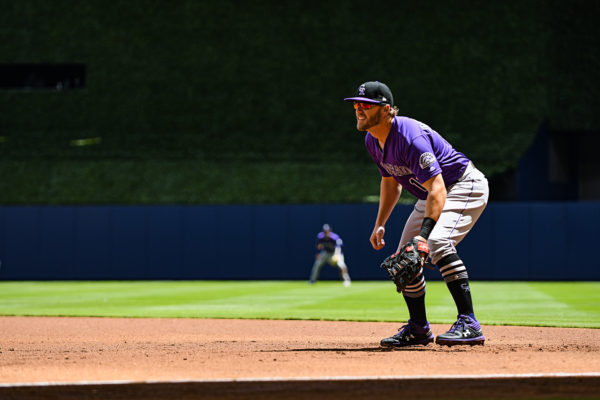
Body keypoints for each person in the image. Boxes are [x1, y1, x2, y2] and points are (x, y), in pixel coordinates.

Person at [344, 81, 489, 347]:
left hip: (462, 185)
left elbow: (438, 187)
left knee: (435, 242)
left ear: (386, 110)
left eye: (365, 105)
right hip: (431, 194)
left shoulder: (410, 137)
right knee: (405, 258)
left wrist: (423, 235)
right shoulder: (372, 140)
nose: (358, 109)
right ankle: (419, 329)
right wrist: (380, 223)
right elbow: (390, 182)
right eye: (356, 104)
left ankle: (469, 322)